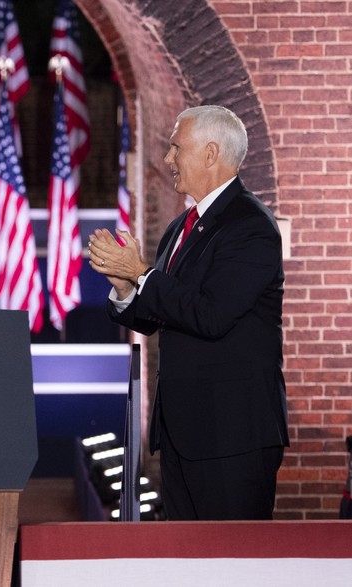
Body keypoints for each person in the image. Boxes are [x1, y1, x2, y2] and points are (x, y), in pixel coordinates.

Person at [87, 105, 288, 520]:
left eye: (176, 148)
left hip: (233, 435)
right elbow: (160, 312)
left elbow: (210, 316)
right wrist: (126, 286)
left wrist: (141, 272)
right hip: (183, 433)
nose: (168, 159)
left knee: (232, 566)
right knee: (186, 563)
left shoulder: (251, 226)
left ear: (211, 154)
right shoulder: (182, 226)